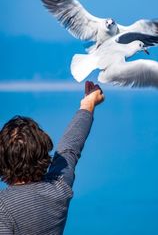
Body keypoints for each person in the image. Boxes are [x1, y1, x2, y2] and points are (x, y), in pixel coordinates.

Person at [0, 81, 104, 234]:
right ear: (42, 153)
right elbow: (70, 148)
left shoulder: (3, 206)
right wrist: (88, 103)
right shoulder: (59, 187)